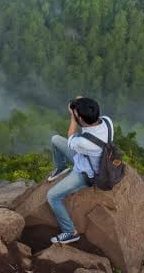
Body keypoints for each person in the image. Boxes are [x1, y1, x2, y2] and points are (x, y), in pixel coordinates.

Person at [46, 96, 113, 244]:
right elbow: (88, 124)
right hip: (88, 156)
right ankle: (61, 167)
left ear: (81, 119)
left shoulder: (84, 143)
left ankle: (70, 232)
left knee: (52, 196)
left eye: (77, 115)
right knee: (55, 139)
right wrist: (81, 103)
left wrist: (72, 116)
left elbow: (71, 137)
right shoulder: (107, 121)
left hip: (86, 173)